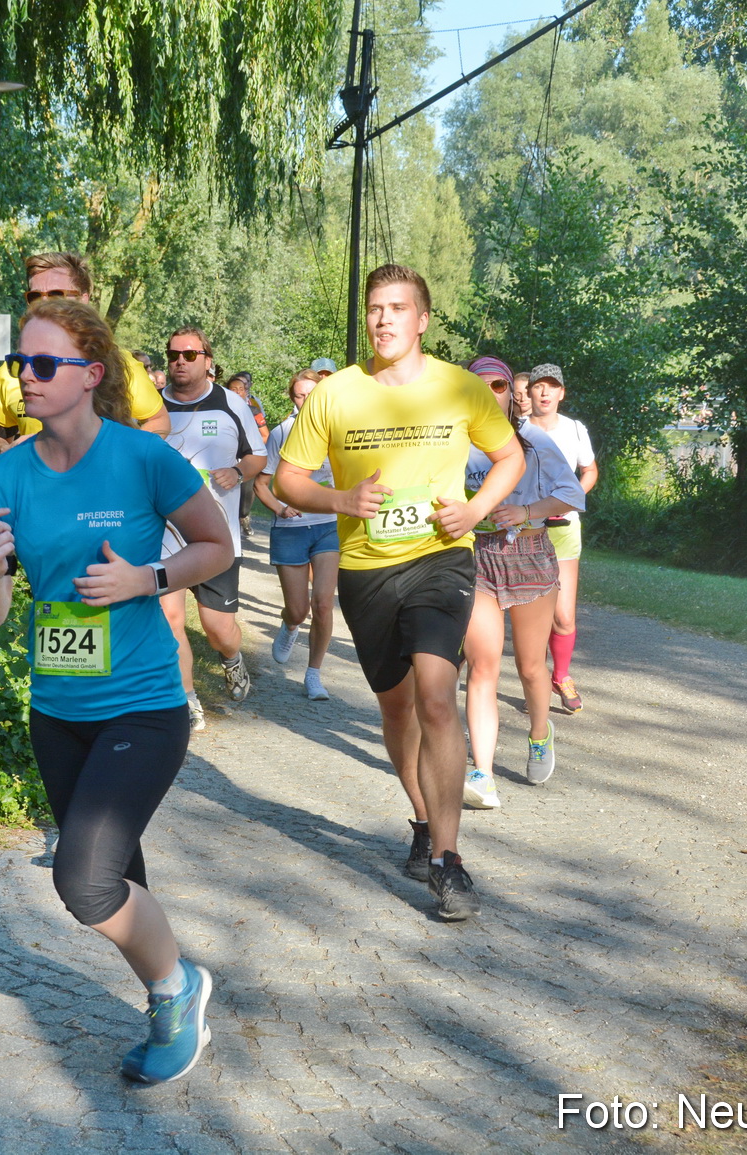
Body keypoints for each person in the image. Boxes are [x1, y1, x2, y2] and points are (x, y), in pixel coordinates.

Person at [0, 297, 233, 1083]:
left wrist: (146, 578)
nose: (26, 378)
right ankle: (166, 998)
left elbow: (213, 546)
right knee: (116, 873)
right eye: (20, 364)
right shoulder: (2, 477)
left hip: (145, 705)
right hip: (58, 712)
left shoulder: (142, 460)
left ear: (91, 375)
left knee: (82, 879)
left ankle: (180, 984)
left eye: (43, 364)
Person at [273, 265, 522, 921]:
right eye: (374, 308)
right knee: (397, 707)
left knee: (439, 694)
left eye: (397, 308)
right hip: (364, 567)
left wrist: (476, 511)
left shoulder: (460, 387)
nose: (384, 319)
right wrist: (340, 498)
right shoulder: (335, 395)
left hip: (441, 557)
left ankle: (448, 859)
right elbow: (287, 479)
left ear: (422, 318)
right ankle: (420, 817)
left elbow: (510, 457)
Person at [459, 357, 586, 810]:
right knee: (483, 666)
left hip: (531, 556)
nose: (487, 392)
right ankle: (483, 773)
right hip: (479, 560)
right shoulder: (453, 441)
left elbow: (573, 494)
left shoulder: (532, 440)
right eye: (477, 385)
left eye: (497, 384)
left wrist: (527, 512)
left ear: (509, 392)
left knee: (531, 668)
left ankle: (538, 734)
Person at [158, 326, 267, 729]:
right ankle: (187, 699)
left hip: (216, 535)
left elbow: (257, 457)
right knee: (170, 618)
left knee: (218, 629)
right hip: (165, 534)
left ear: (208, 360)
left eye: (189, 355)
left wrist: (237, 472)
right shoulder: (152, 409)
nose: (179, 362)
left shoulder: (231, 404)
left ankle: (231, 658)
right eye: (173, 355)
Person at [0, 253, 171, 458]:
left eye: (56, 295)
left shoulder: (122, 366)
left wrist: (124, 457)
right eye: (35, 296)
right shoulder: (14, 370)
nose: (43, 305)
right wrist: (5, 449)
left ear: (83, 299)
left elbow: (160, 421)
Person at [256, 369, 338, 701]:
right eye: (299, 396)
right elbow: (262, 484)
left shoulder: (336, 430)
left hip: (328, 526)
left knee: (322, 604)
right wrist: (280, 508)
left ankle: (314, 674)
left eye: (311, 395)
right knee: (299, 609)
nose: (305, 402)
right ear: (292, 398)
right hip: (291, 529)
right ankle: (290, 625)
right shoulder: (282, 432)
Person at [525, 364, 598, 713]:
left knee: (564, 616)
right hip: (524, 529)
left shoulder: (574, 429)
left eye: (551, 387)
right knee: (527, 614)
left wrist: (570, 499)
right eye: (539, 386)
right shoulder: (517, 429)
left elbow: (590, 470)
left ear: (561, 393)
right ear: (529, 392)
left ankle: (562, 675)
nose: (544, 393)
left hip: (564, 528)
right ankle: (531, 677)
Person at [226, 372, 268, 535]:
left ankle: (244, 518)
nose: (236, 392)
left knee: (244, 504)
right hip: (224, 462)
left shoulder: (253, 410)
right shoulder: (219, 408)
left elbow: (265, 435)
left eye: (240, 389)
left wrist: (251, 452)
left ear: (246, 391)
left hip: (245, 462)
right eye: (233, 389)